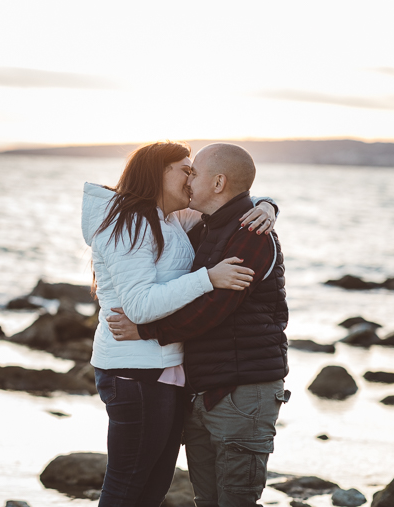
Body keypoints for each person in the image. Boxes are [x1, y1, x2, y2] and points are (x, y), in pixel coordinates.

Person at [81, 141, 278, 507]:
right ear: (158, 173)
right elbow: (139, 307)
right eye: (184, 169)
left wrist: (267, 206)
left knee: (153, 489)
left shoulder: (172, 218)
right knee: (127, 487)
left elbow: (231, 199)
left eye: (193, 171)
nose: (190, 178)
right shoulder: (132, 224)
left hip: (163, 371)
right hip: (134, 370)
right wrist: (208, 277)